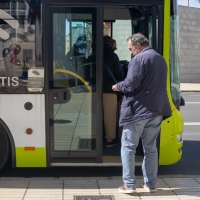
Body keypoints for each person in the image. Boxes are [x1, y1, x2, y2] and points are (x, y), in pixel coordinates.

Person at [112, 33, 172, 193]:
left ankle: (129, 185)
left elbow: (131, 84)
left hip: (138, 110)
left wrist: (118, 86)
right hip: (157, 109)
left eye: (131, 49)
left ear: (138, 45)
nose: (130, 52)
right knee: (151, 147)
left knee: (128, 147)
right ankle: (150, 184)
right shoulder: (160, 58)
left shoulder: (138, 60)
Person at [103, 35, 124, 147]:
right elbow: (119, 75)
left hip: (93, 89)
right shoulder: (113, 56)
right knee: (109, 116)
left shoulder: (92, 55)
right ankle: (110, 139)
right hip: (109, 89)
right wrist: (120, 94)